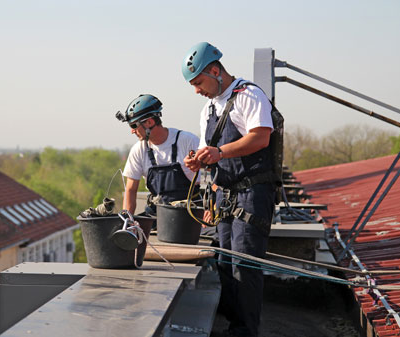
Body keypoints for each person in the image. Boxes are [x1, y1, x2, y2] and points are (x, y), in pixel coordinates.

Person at [182, 42, 278, 337]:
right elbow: (206, 149)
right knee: (224, 260)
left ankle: (245, 330)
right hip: (223, 194)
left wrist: (219, 152)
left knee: (245, 265)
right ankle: (232, 323)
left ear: (215, 71)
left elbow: (260, 137)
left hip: (251, 193)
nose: (197, 90)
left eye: (199, 82)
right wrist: (198, 160)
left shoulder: (248, 95)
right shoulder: (208, 108)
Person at [116, 94, 199, 215]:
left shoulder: (188, 141)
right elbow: (130, 190)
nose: (132, 131)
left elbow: (214, 174)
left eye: (134, 125)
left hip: (191, 211)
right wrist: (128, 221)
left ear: (149, 122)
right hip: (158, 211)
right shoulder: (138, 150)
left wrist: (211, 209)